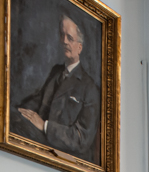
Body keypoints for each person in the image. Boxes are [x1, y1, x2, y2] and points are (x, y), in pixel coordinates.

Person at [14, 14, 100, 162]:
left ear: (80, 47)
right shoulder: (56, 71)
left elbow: (82, 139)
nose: (64, 41)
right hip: (41, 145)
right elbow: (40, 100)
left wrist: (45, 126)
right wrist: (19, 111)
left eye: (70, 38)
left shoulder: (89, 88)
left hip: (65, 158)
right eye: (62, 36)